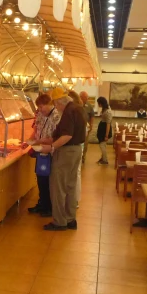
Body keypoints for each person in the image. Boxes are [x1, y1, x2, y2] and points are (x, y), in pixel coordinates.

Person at [39, 87, 86, 231]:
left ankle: (59, 221)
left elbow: (67, 136)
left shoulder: (67, 112)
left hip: (66, 152)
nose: (55, 107)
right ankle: (70, 218)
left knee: (58, 187)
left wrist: (52, 147)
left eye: (56, 104)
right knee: (70, 186)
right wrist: (48, 140)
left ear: (60, 102)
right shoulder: (77, 109)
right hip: (76, 150)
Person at [28, 92, 60, 218]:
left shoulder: (56, 116)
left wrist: (39, 141)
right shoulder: (41, 115)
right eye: (39, 107)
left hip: (50, 151)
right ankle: (42, 203)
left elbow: (56, 138)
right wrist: (31, 140)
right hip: (40, 151)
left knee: (48, 180)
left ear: (49, 104)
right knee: (40, 178)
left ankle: (48, 207)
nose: (40, 110)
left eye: (42, 107)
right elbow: (37, 129)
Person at [96, 96, 113, 165]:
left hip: (105, 129)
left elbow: (108, 124)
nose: (98, 104)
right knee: (103, 145)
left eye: (98, 103)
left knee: (102, 145)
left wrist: (106, 135)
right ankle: (103, 157)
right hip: (102, 128)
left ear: (101, 103)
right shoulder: (105, 109)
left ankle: (105, 160)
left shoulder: (108, 111)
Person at [80, 91, 94, 163]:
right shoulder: (77, 104)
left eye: (87, 98)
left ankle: (83, 157)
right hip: (78, 127)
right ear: (80, 97)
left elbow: (92, 116)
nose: (86, 99)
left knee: (85, 143)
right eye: (85, 98)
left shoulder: (89, 106)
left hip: (86, 127)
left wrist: (91, 125)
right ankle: (79, 156)